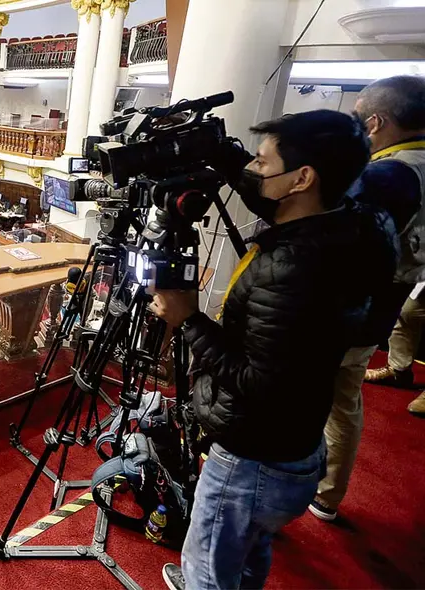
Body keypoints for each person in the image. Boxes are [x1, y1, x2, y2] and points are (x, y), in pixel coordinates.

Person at [152, 111, 397, 590]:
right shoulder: (348, 225)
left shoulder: (292, 269)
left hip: (251, 460)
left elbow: (257, 382)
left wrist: (188, 319)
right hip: (296, 446)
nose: (255, 174)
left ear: (302, 178)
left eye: (263, 163)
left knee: (205, 572)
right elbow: (269, 197)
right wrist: (224, 156)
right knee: (248, 554)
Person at [309, 75, 425, 521]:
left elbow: (329, 240)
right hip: (381, 306)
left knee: (301, 398)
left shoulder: (388, 175)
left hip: (343, 310)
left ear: (375, 122)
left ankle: (284, 491)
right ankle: (328, 491)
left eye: (357, 117)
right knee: (344, 397)